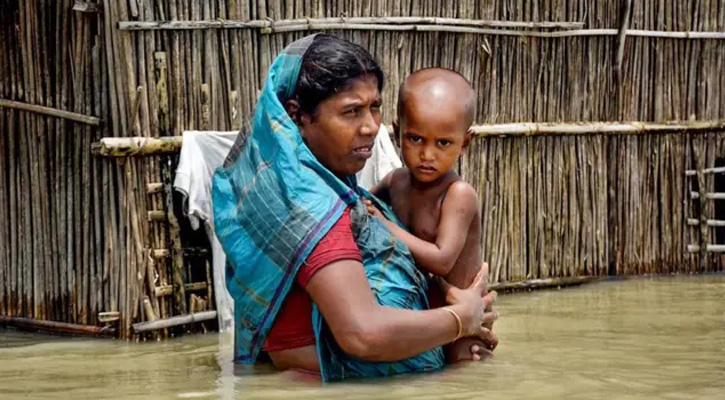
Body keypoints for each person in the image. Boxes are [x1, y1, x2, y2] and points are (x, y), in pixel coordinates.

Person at [212, 34, 498, 382]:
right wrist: (460, 319)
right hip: (337, 375)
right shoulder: (313, 207)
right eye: (351, 111)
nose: (371, 127)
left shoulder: (281, 185)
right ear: (297, 116)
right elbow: (363, 333)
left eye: (374, 107)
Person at [367, 68, 488, 363]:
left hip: (462, 323)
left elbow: (442, 259)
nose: (427, 154)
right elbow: (360, 205)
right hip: (421, 313)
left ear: (465, 143)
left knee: (462, 375)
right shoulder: (395, 181)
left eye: (443, 143)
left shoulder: (458, 194)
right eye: (416, 139)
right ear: (397, 133)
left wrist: (383, 224)